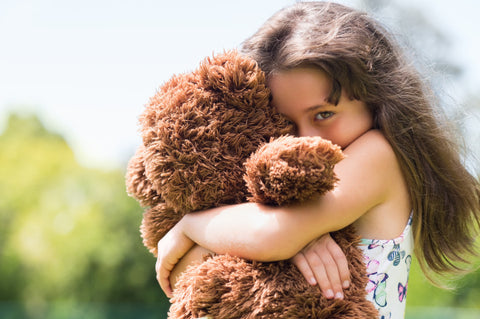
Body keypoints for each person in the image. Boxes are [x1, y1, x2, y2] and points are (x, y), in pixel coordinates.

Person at [155, 2, 480, 318]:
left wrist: (192, 225)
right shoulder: (266, 199)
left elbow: (272, 235)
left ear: (375, 100)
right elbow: (185, 272)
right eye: (284, 121)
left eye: (324, 114)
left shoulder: (379, 155)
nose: (305, 138)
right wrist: (293, 243)